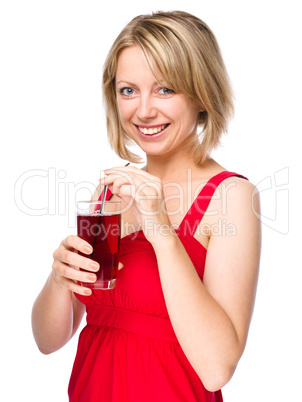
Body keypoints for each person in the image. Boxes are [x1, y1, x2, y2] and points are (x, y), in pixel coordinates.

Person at [32, 10, 261, 401]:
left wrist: (160, 230)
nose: (143, 110)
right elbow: (48, 341)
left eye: (165, 89)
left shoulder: (231, 197)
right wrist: (59, 279)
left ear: (201, 92)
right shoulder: (110, 191)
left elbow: (216, 368)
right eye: (128, 90)